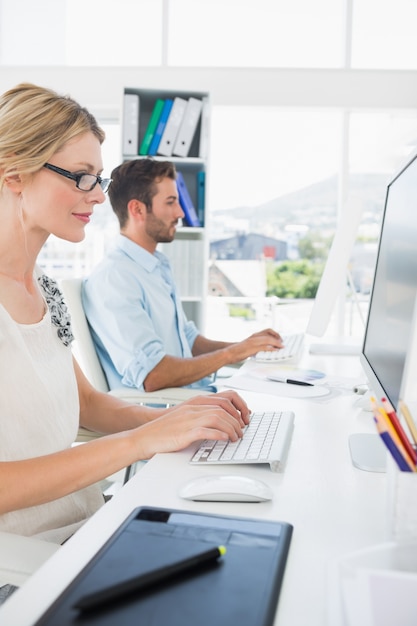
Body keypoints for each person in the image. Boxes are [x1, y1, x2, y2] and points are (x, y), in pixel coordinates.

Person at [0, 83, 250, 592]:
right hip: (23, 566)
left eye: (100, 178)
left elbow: (88, 403)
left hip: (87, 530)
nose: (98, 195)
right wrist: (140, 441)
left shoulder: (43, 290)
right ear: (13, 174)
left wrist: (175, 420)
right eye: (82, 178)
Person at [82, 158, 284, 393]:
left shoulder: (156, 266)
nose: (180, 212)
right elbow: (153, 375)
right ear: (137, 209)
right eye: (170, 202)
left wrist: (250, 348)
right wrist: (232, 354)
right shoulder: (114, 279)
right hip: (167, 415)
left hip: (195, 401)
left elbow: (189, 342)